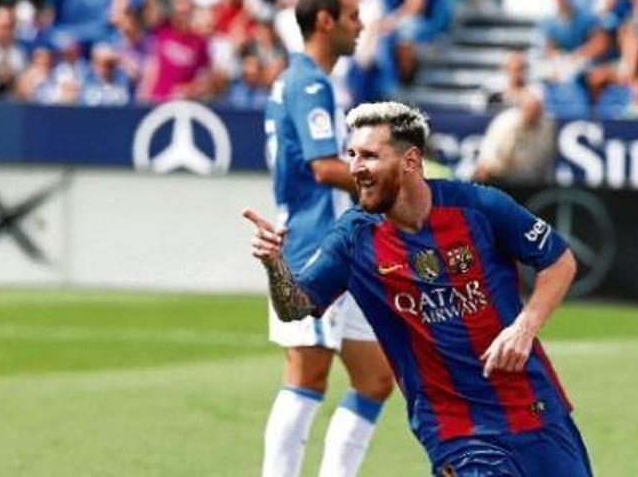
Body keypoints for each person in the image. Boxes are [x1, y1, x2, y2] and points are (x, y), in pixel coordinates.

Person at [244, 101, 594, 476]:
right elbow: (295, 307)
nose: (355, 168)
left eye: (369, 156)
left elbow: (559, 260)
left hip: (534, 406)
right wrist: (274, 265)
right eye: (352, 154)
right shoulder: (353, 237)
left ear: (410, 161)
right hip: (457, 432)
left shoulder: (479, 206)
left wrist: (525, 327)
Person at [260, 0, 393, 477]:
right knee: (307, 373)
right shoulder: (311, 83)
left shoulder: (306, 82)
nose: (360, 25)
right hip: (314, 246)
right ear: (324, 21)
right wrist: (392, 179)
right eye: (353, 16)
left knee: (376, 376)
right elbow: (321, 166)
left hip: (341, 243)